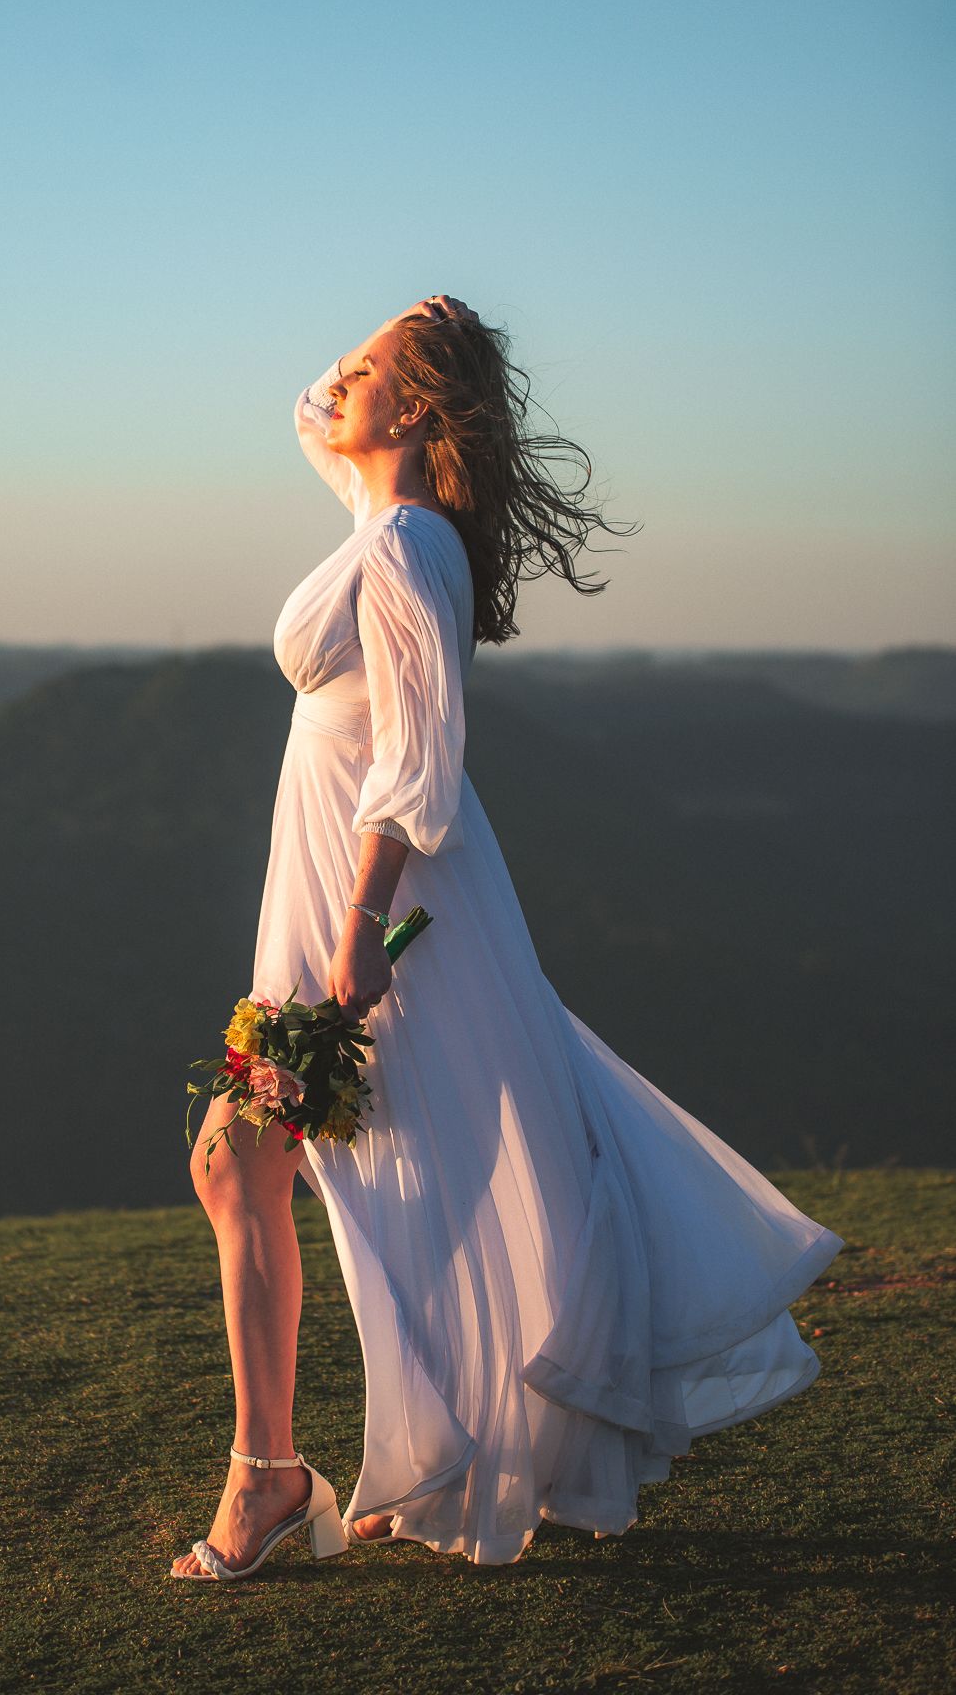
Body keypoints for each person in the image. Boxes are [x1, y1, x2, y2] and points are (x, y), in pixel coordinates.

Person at [170, 295, 843, 1582]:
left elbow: (418, 757)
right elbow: (310, 414)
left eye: (368, 369)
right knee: (287, 1161)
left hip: (373, 900)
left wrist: (362, 931)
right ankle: (376, 1456)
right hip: (322, 887)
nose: (338, 382)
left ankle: (281, 1475)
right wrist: (394, 339)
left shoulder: (406, 544)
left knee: (260, 1155)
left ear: (415, 408)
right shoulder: (379, 518)